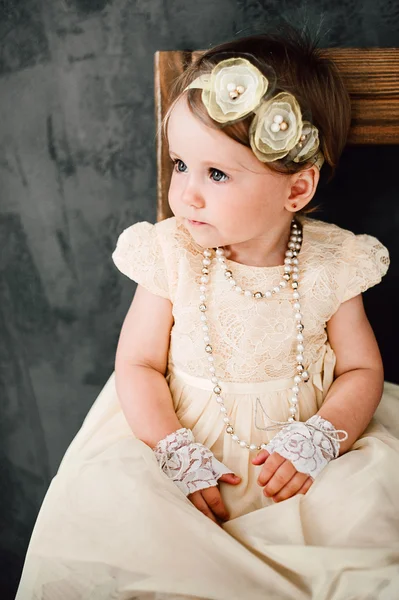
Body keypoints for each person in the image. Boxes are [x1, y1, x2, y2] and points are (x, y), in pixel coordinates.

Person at [16, 28, 399, 600]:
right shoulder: (172, 253)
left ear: (296, 189)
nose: (186, 193)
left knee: (360, 529)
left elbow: (361, 371)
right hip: (182, 447)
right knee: (129, 532)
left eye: (216, 174)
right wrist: (173, 448)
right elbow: (139, 363)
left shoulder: (333, 262)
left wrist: (321, 438)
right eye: (180, 164)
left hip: (298, 464)